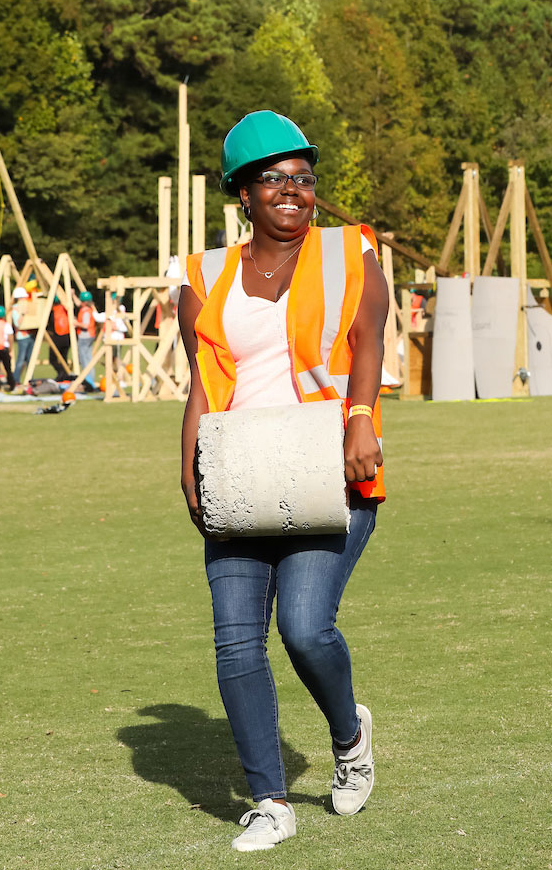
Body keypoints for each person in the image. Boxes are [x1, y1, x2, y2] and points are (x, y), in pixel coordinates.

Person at [178, 110, 387, 852]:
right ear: (243, 192)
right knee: (236, 642)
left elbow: (369, 336)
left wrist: (362, 415)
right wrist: (189, 460)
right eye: (275, 178)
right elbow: (203, 381)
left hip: (329, 465)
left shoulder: (350, 251)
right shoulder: (204, 276)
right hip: (238, 467)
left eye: (304, 177)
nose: (294, 190)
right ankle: (269, 800)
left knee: (303, 627)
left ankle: (348, 735)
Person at [11, 285, 35, 385]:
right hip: (22, 337)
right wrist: (23, 314)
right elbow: (18, 324)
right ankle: (15, 380)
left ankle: (31, 380)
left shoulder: (27, 306)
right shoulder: (15, 309)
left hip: (31, 335)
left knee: (30, 360)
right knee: (21, 359)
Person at [75, 290, 98, 389]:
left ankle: (89, 382)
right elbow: (77, 303)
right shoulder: (88, 308)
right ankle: (90, 380)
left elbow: (85, 325)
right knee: (88, 359)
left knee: (84, 360)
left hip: (85, 336)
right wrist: (73, 295)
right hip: (90, 335)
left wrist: (75, 323)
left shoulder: (85, 311)